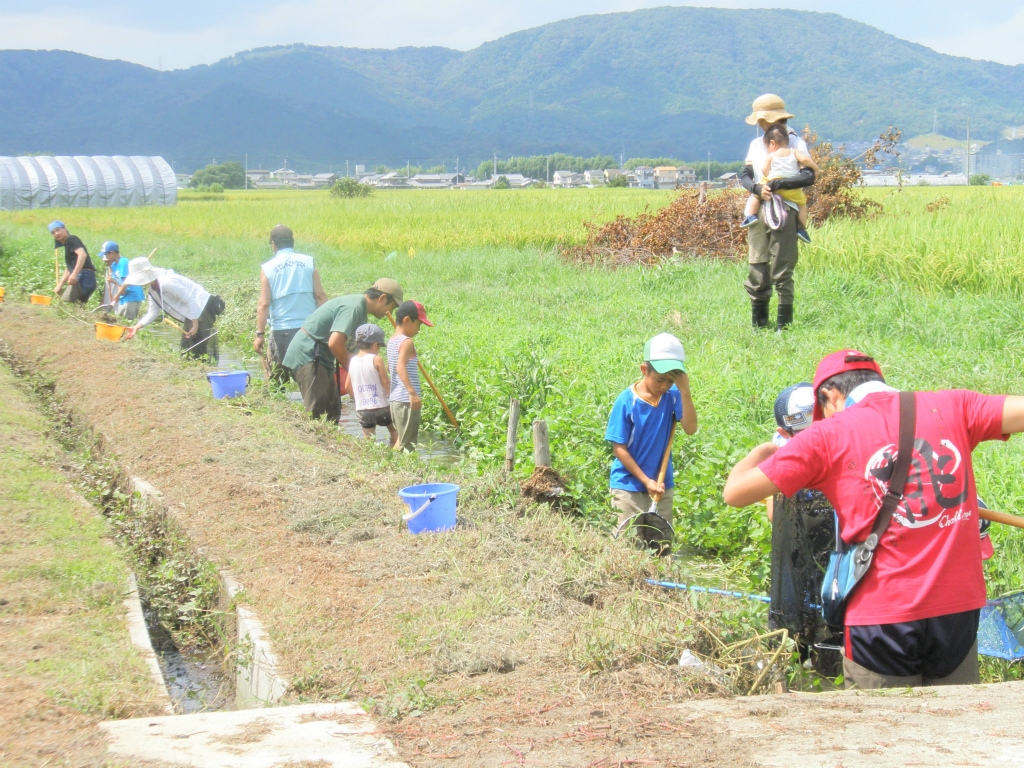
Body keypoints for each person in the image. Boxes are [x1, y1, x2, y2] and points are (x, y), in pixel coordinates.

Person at [724, 349, 1024, 689]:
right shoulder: (954, 406)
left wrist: (761, 453)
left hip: (882, 616)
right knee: (953, 729)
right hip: (957, 611)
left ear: (828, 396)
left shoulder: (825, 436)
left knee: (883, 731)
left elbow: (735, 493)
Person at [605, 333, 698, 530]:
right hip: (627, 487)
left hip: (662, 485)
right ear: (644, 369)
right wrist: (646, 481)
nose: (664, 386)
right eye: (659, 380)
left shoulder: (672, 396)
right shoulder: (626, 401)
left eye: (671, 381)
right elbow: (619, 449)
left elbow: (690, 429)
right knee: (627, 545)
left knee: (660, 546)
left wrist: (685, 392)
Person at [739, 94, 816, 331]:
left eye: (763, 121)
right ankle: (759, 325)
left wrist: (779, 184)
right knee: (757, 265)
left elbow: (808, 176)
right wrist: (756, 188)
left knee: (782, 267)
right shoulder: (756, 144)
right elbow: (744, 174)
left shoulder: (796, 143)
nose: (761, 125)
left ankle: (785, 326)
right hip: (759, 207)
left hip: (785, 209)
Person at [282, 279, 402, 423]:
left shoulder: (361, 314)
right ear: (382, 299)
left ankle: (328, 443)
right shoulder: (354, 307)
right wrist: (355, 372)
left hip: (323, 357)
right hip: (309, 353)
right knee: (317, 410)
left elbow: (354, 353)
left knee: (333, 409)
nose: (390, 312)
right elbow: (335, 344)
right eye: (392, 307)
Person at [255, 224, 328, 380]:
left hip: (282, 331)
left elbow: (264, 304)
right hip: (308, 329)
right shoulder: (309, 262)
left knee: (276, 379)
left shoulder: (268, 268)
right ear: (292, 242)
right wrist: (327, 325)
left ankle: (277, 403)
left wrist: (259, 334)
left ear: (273, 244)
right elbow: (320, 296)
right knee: (308, 377)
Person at [121, 257, 223, 360]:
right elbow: (153, 312)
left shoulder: (167, 282)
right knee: (188, 350)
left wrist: (195, 325)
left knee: (194, 349)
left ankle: (201, 371)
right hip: (192, 313)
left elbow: (191, 300)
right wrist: (136, 327)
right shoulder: (152, 290)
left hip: (202, 307)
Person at [742, 125, 820, 244]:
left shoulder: (772, 155)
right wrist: (816, 168)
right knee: (802, 205)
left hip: (770, 188)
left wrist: (761, 186)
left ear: (772, 143)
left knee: (756, 197)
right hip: (791, 191)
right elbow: (805, 162)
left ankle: (751, 216)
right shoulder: (794, 151)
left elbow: (764, 170)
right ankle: (802, 229)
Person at [388, 300, 433, 451]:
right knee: (407, 445)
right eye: (418, 324)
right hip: (406, 400)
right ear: (407, 320)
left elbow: (391, 367)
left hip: (395, 399)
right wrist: (412, 392)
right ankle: (401, 473)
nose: (419, 330)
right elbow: (400, 366)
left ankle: (389, 468)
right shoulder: (407, 342)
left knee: (401, 439)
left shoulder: (392, 341)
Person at [347, 323, 398, 444]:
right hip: (381, 406)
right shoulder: (376, 359)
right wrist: (393, 399)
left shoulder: (352, 361)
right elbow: (386, 383)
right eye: (379, 346)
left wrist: (358, 400)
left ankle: (370, 459)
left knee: (368, 440)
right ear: (375, 345)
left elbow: (347, 386)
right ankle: (396, 455)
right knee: (395, 432)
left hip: (363, 409)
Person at [49, 220, 97, 304]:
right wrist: (60, 284)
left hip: (84, 276)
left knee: (67, 304)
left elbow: (82, 255)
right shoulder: (68, 244)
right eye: (53, 232)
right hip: (87, 277)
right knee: (76, 306)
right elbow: (69, 268)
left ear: (65, 228)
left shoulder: (71, 239)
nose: (56, 233)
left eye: (58, 230)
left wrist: (74, 274)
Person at [99, 241, 145, 320]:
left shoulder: (123, 262)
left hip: (132, 297)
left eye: (106, 254)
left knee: (127, 322)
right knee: (119, 321)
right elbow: (118, 283)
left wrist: (117, 295)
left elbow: (125, 284)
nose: (105, 257)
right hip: (124, 297)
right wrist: (109, 266)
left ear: (112, 253)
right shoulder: (114, 265)